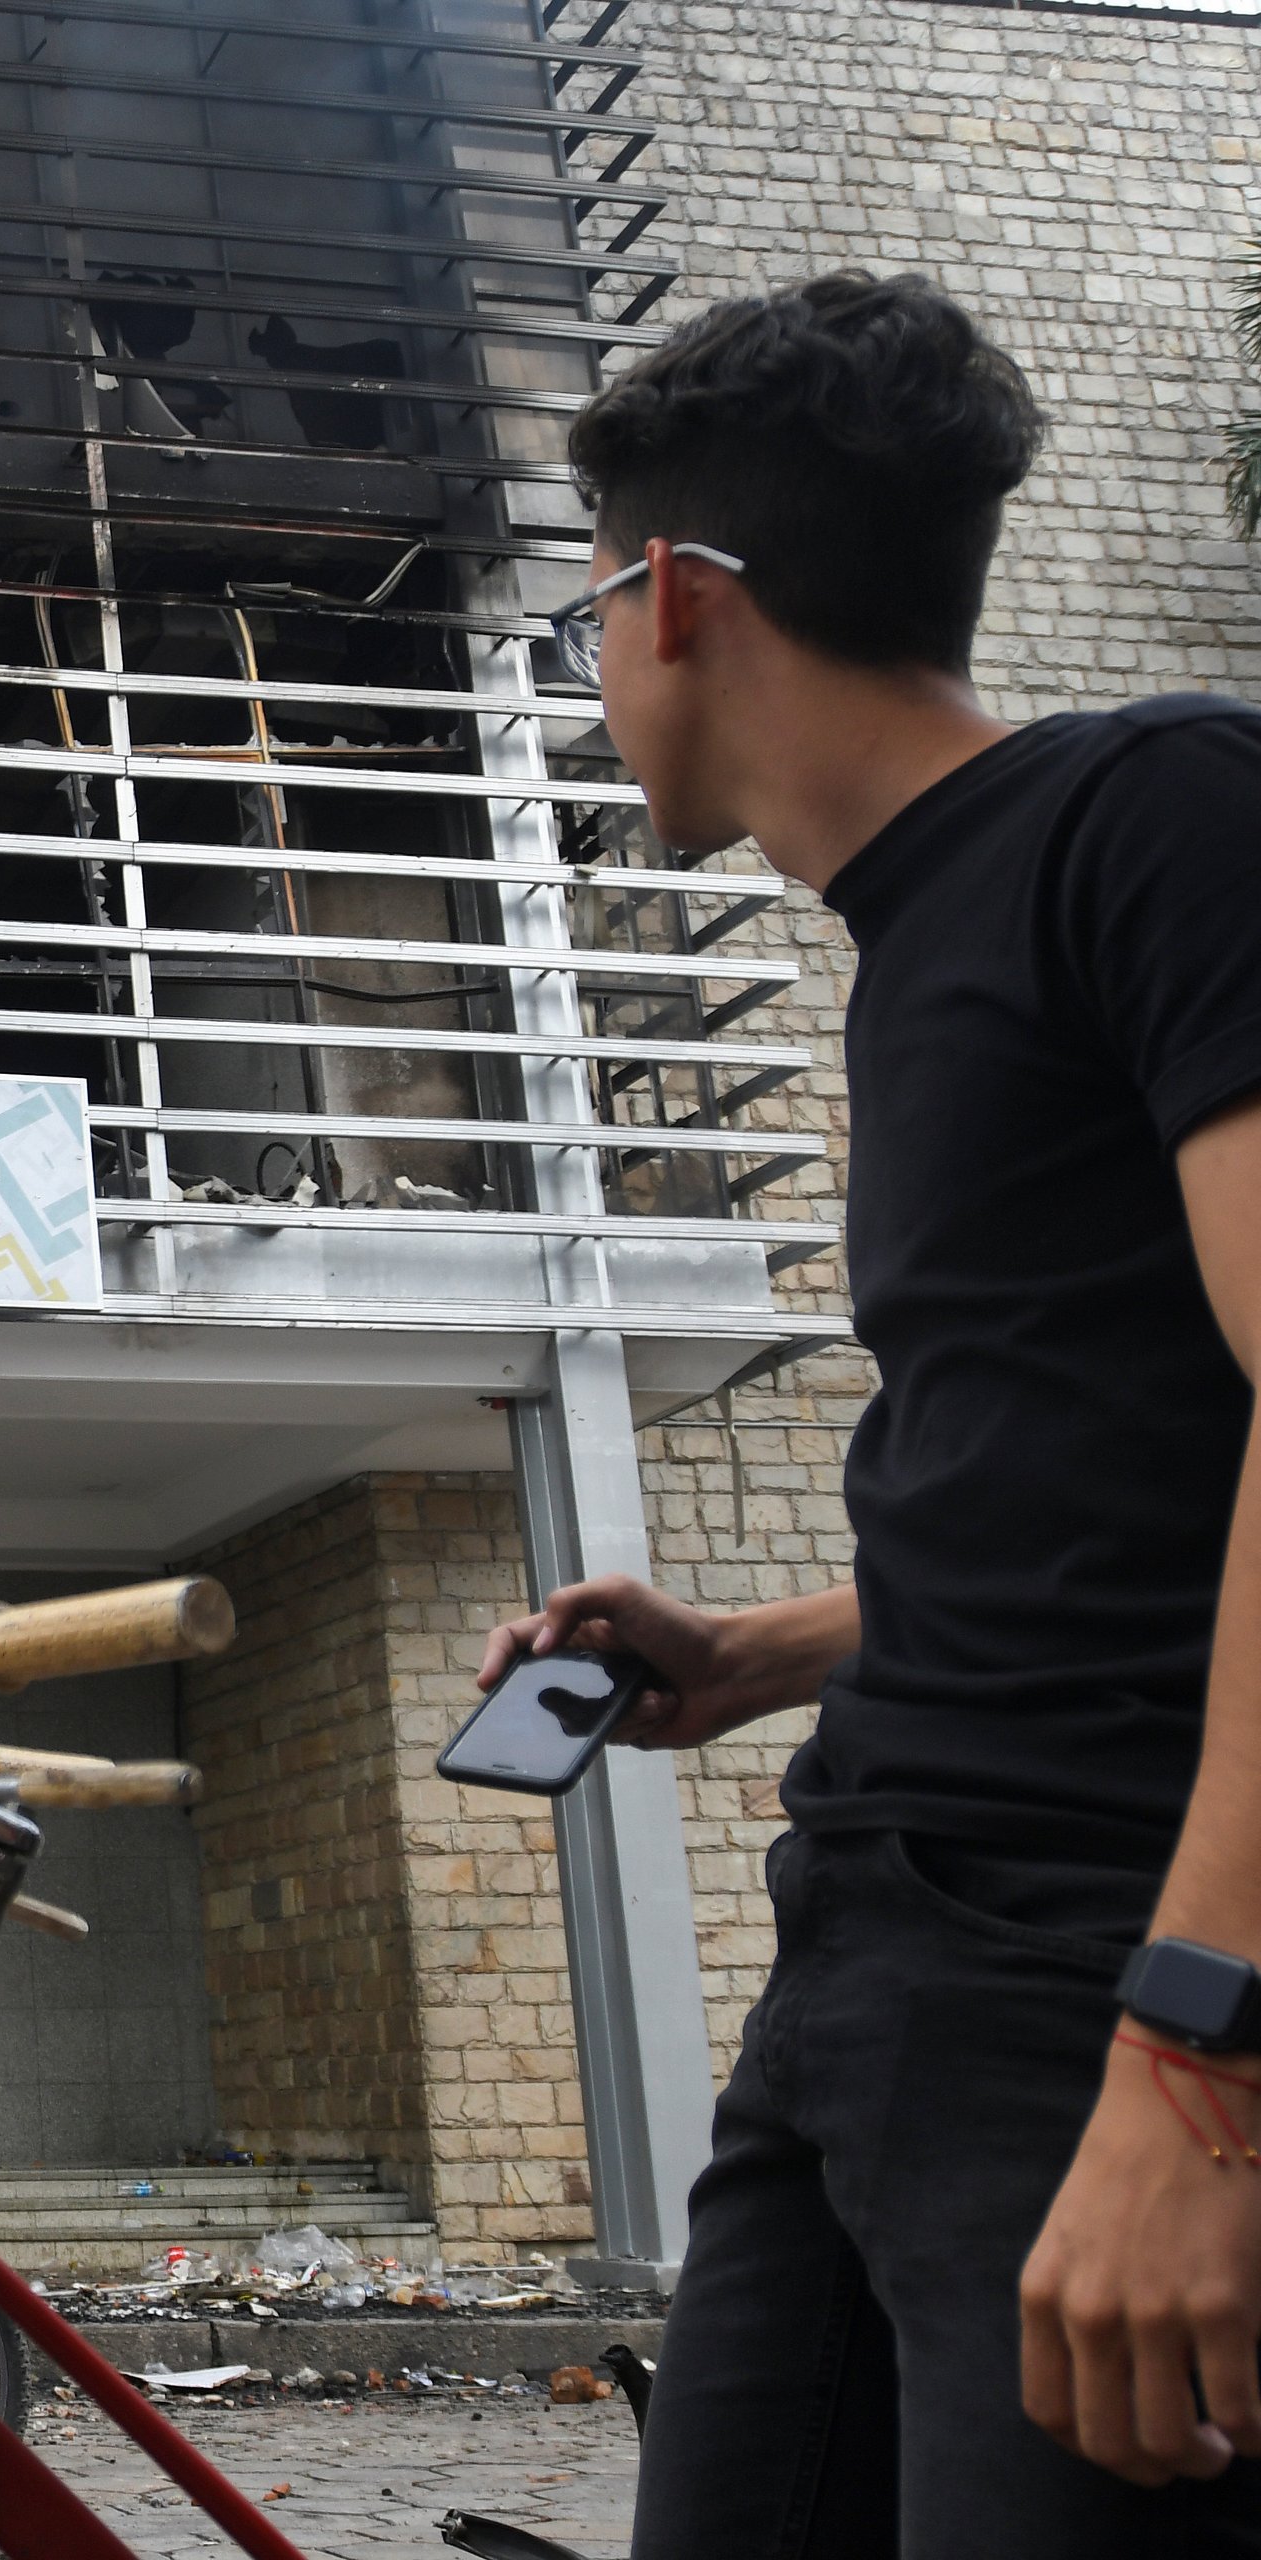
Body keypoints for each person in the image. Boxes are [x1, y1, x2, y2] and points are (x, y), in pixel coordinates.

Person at [478, 270, 1261, 2553]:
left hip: (1086, 1978)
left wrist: (1196, 2053)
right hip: (860, 1976)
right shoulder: (926, 937)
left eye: (584, 611)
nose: (585, 676)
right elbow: (1121, 1486)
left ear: (683, 598)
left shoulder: (1156, 813)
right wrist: (759, 1649)